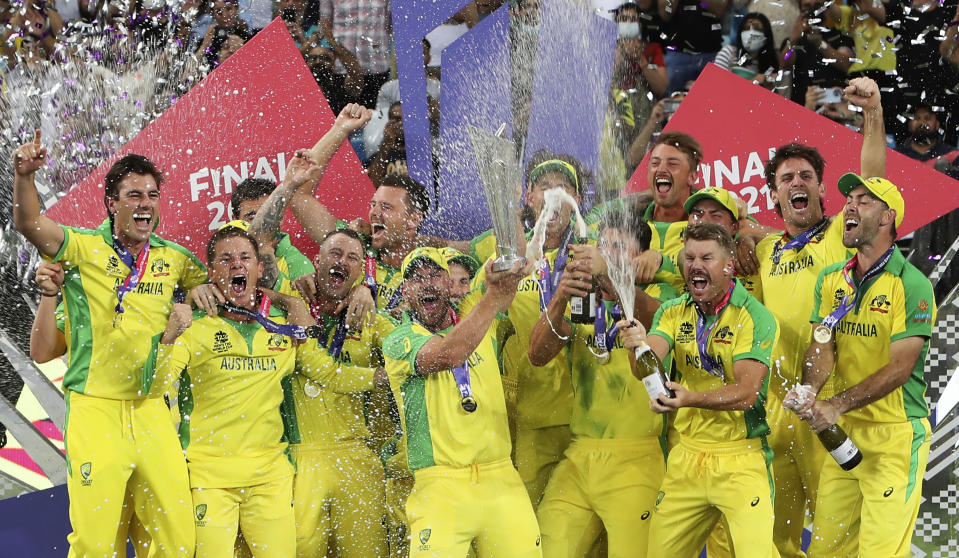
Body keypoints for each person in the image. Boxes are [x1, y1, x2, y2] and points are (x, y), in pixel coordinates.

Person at [13, 133, 206, 556]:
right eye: (133, 194)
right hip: (96, 412)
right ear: (112, 203)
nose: (145, 203)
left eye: (153, 195)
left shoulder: (175, 258)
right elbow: (30, 225)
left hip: (153, 409)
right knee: (96, 543)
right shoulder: (83, 248)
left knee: (178, 540)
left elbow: (220, 284)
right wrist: (23, 177)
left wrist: (195, 301)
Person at [154, 224, 377, 557]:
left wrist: (386, 378)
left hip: (270, 478)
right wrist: (169, 335)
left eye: (245, 257)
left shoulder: (283, 325)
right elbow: (156, 385)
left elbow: (328, 372)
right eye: (226, 259)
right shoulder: (193, 326)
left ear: (259, 268)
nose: (237, 265)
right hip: (209, 479)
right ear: (211, 271)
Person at [742, 76, 886, 557]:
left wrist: (872, 115)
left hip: (831, 406)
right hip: (782, 411)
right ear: (774, 196)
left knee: (835, 535)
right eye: (786, 179)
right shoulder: (765, 251)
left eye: (805, 175)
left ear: (823, 187)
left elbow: (874, 185)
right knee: (775, 537)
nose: (797, 183)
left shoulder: (839, 235)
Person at [786, 174, 934, 557]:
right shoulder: (832, 279)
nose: (849, 206)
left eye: (864, 201)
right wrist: (810, 390)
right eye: (849, 198)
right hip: (846, 434)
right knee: (826, 552)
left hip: (895, 438)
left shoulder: (911, 283)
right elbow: (824, 345)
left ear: (887, 218)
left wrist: (836, 405)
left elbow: (901, 368)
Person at [529, 210, 675, 558]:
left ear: (638, 257)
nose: (605, 254)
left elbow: (656, 315)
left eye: (617, 247)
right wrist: (561, 296)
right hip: (579, 456)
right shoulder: (581, 298)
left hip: (637, 457)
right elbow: (537, 354)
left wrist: (613, 276)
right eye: (602, 246)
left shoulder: (662, 294)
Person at [382, 247, 541, 557]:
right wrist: (493, 297)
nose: (426, 283)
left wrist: (504, 277)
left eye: (434, 276)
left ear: (448, 284)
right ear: (404, 291)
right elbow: (448, 354)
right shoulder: (398, 339)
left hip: (501, 481)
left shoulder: (476, 315)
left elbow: (514, 254)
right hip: (441, 486)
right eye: (416, 278)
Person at [638, 222, 779, 557]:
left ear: (729, 265)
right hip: (687, 457)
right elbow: (644, 366)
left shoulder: (755, 317)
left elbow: (747, 392)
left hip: (741, 459)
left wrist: (690, 398)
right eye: (688, 258)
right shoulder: (673, 311)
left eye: (706, 258)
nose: (695, 265)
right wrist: (638, 346)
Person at [283, 228, 394, 558]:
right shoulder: (290, 307)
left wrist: (367, 292)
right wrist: (377, 377)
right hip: (300, 457)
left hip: (357, 457)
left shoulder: (371, 317)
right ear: (315, 260)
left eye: (352, 258)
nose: (342, 262)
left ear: (361, 270)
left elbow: (408, 349)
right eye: (334, 253)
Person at [658, 0, 728, 93]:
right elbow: (665, 14)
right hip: (678, 54)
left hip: (710, 55)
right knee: (671, 101)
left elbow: (718, 10)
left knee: (711, 99)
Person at [714, 12, 782, 91]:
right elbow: (715, 86)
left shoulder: (771, 66)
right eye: (747, 28)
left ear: (766, 35)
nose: (751, 33)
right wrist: (753, 82)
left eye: (757, 29)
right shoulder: (729, 53)